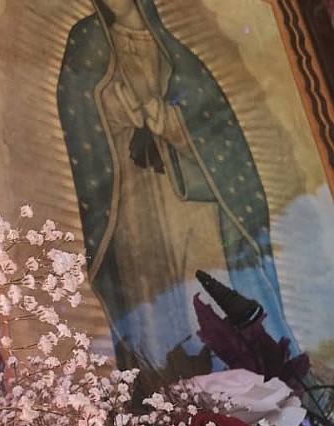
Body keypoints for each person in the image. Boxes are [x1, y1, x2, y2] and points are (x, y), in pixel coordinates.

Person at [57, 0, 298, 374]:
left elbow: (211, 125)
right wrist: (124, 112)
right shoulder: (85, 39)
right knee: (153, 298)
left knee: (203, 284)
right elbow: (81, 111)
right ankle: (169, 397)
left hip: (190, 195)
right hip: (131, 197)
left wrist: (165, 120)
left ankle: (237, 381)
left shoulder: (175, 52)